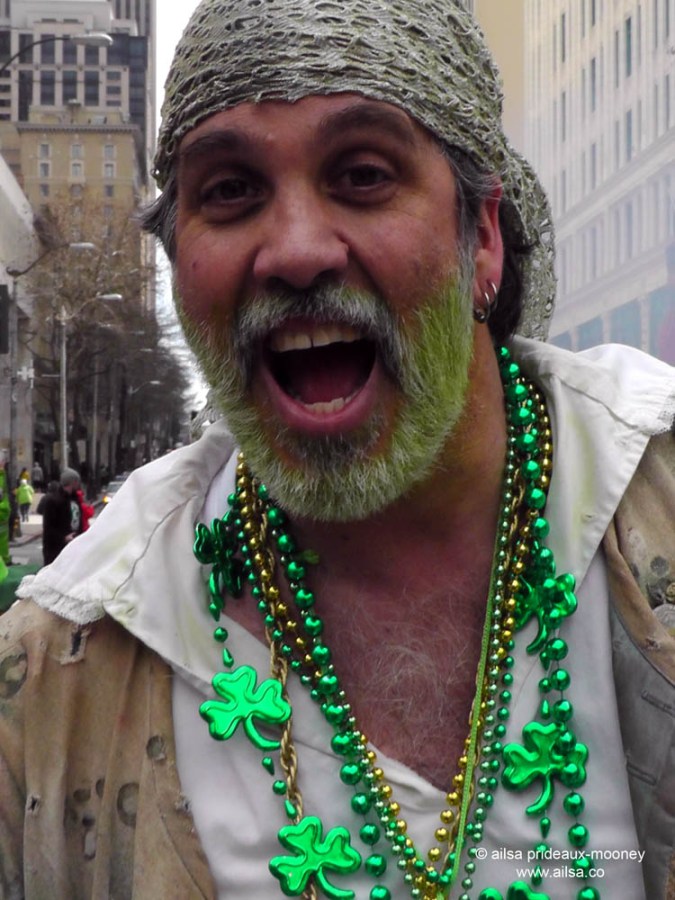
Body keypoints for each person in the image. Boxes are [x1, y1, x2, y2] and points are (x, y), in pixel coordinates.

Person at [1, 1, 674, 897]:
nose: (296, 252)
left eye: (361, 173)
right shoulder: (54, 679)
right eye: (231, 190)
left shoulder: (650, 488)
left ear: (481, 238)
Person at [39, 467, 85, 566]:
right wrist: (63, 538)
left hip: (73, 545)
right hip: (56, 549)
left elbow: (78, 519)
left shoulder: (75, 499)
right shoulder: (52, 501)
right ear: (72, 482)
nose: (79, 484)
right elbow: (48, 527)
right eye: (77, 481)